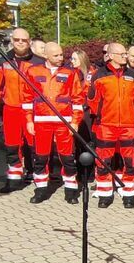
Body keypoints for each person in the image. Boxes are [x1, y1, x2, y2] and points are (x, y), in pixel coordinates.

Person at [22, 43, 86, 204]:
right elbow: (27, 98)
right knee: (40, 157)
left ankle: (71, 190)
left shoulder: (70, 73)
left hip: (64, 121)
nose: (61, 58)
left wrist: (75, 121)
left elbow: (77, 99)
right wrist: (29, 120)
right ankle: (41, 189)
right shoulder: (32, 71)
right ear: (46, 56)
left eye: (61, 55)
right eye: (56, 55)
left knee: (67, 157)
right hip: (41, 122)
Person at [86, 43, 134, 208]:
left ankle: (129, 194)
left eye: (125, 54)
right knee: (103, 161)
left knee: (131, 162)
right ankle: (105, 194)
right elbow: (92, 100)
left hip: (129, 125)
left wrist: (132, 114)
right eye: (122, 54)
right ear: (111, 55)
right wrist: (102, 116)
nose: (125, 57)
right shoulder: (99, 75)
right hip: (106, 125)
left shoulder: (133, 75)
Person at [0, 28, 40, 193]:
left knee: (34, 145)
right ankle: (14, 178)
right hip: (11, 109)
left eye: (24, 40)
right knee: (11, 145)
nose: (20, 43)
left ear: (29, 41)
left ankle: (37, 177)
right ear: (12, 41)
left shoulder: (38, 62)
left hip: (33, 110)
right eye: (17, 40)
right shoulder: (4, 61)